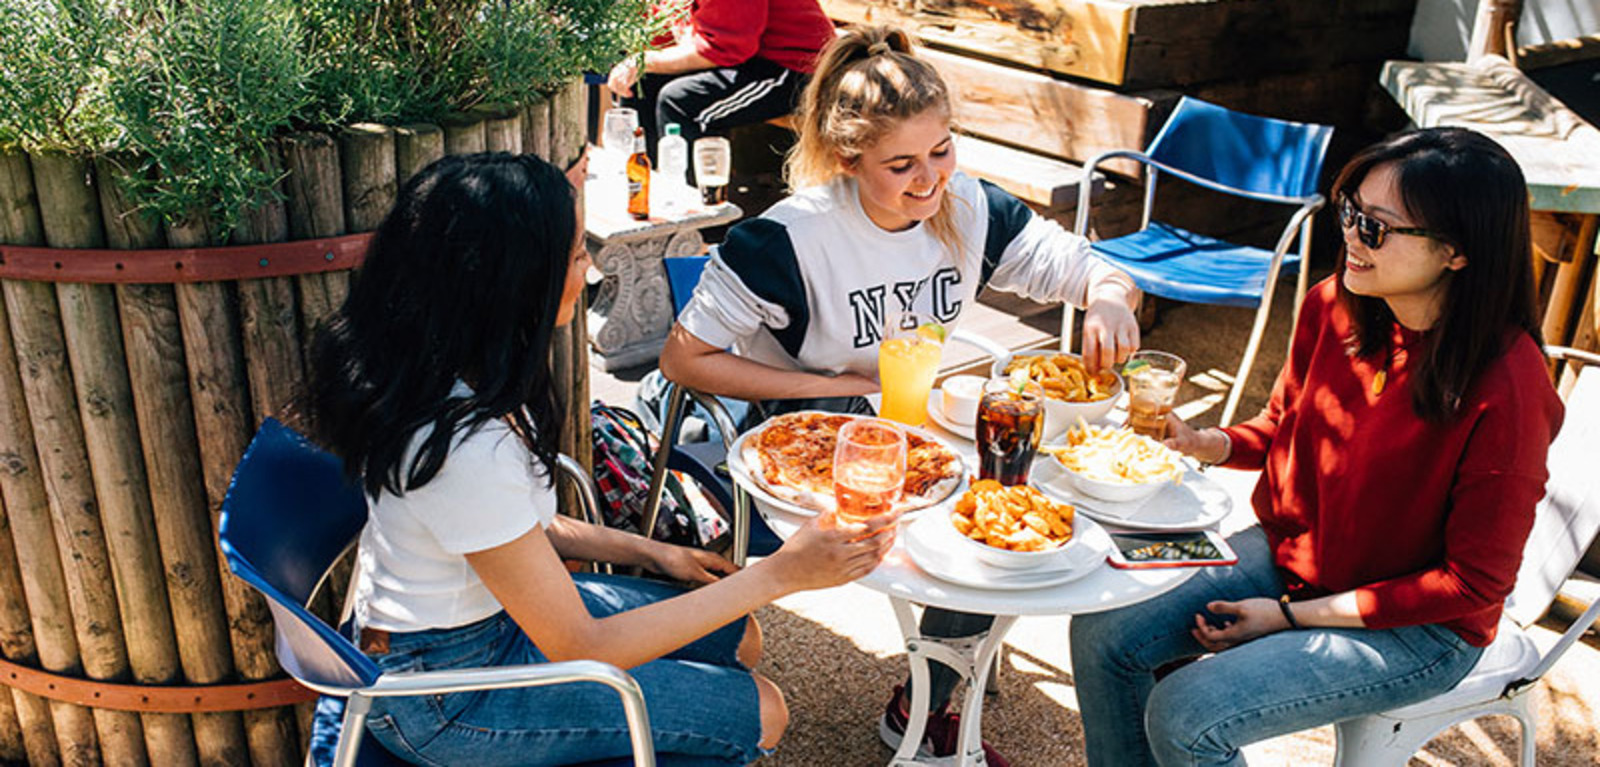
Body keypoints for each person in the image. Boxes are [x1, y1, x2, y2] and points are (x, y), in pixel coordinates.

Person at [305, 152, 895, 766]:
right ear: (511, 283)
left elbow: (520, 529)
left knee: (738, 634)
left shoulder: (452, 371)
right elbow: (580, 645)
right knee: (764, 710)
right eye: (575, 257)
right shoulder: (463, 444)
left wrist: (653, 552)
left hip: (484, 625)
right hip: (447, 695)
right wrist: (780, 573)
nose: (590, 272)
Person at [657, 25, 1143, 765]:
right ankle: (932, 690)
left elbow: (1089, 269)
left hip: (917, 427)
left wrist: (1108, 297)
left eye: (942, 151)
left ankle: (927, 695)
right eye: (901, 164)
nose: (929, 180)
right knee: (985, 525)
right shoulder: (790, 239)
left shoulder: (972, 208)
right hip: (810, 438)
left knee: (1011, 508)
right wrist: (836, 384)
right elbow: (683, 358)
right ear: (847, 159)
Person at [1068, 127, 1565, 766]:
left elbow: (1469, 585)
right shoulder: (1334, 305)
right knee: (1103, 632)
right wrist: (1200, 442)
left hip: (1419, 628)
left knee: (1187, 715)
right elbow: (1283, 425)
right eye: (1350, 212)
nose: (1351, 237)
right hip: (1291, 556)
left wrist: (1290, 616)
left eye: (1376, 228)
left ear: (1456, 252)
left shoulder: (1508, 387)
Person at [606, 0, 835, 163]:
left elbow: (727, 48)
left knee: (681, 102)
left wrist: (647, 60)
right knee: (641, 81)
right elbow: (667, 27)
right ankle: (644, 186)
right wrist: (638, 60)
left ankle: (694, 209)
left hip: (795, 66)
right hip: (746, 54)